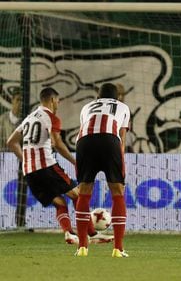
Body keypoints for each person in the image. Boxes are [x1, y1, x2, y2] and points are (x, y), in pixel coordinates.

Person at [6, 87, 112, 245]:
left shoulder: (28, 118)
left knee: (60, 203)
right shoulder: (51, 117)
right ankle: (92, 233)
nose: (58, 104)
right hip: (46, 167)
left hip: (29, 172)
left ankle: (69, 233)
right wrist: (75, 161)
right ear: (52, 100)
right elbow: (57, 143)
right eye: (58, 100)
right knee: (78, 195)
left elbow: (11, 142)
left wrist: (25, 160)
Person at [75, 83, 131, 258]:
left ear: (97, 97)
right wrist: (121, 162)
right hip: (109, 141)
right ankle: (118, 249)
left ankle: (82, 247)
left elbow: (83, 129)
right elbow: (121, 138)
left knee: (84, 192)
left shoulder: (86, 107)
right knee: (117, 192)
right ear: (117, 97)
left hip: (84, 142)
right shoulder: (123, 107)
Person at [116, 83, 135, 153]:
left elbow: (128, 132)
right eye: (118, 94)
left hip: (126, 147)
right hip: (115, 147)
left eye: (123, 94)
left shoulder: (126, 109)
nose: (121, 97)